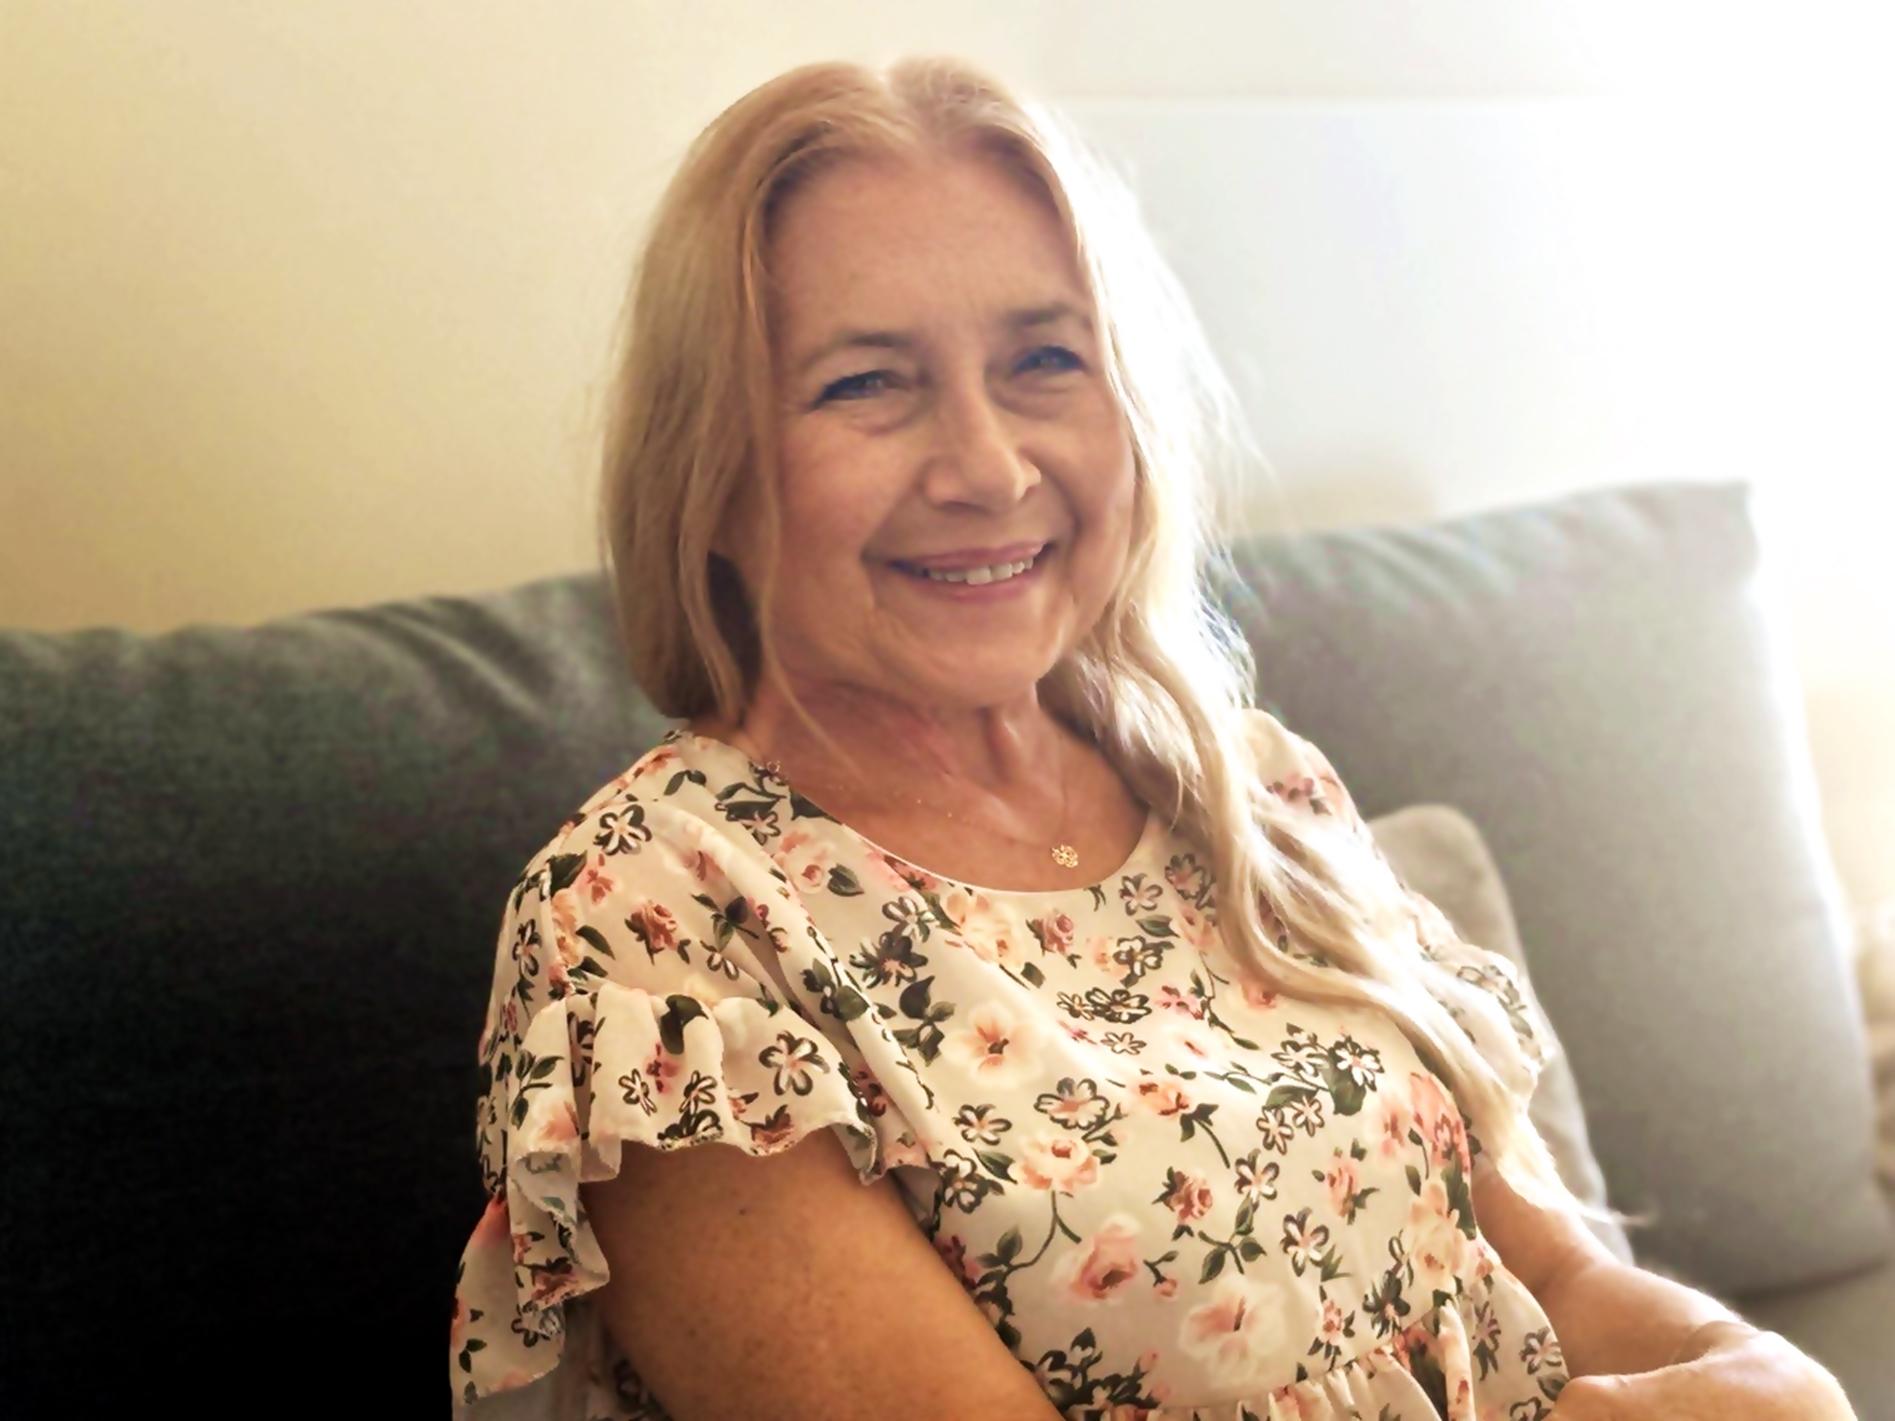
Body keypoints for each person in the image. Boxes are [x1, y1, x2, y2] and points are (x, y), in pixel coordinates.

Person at [448, 56, 1854, 1421]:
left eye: (1044, 360)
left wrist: (1761, 1373)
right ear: (711, 466)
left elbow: (1550, 1274)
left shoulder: (1256, 788)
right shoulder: (652, 926)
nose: (989, 465)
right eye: (868, 383)